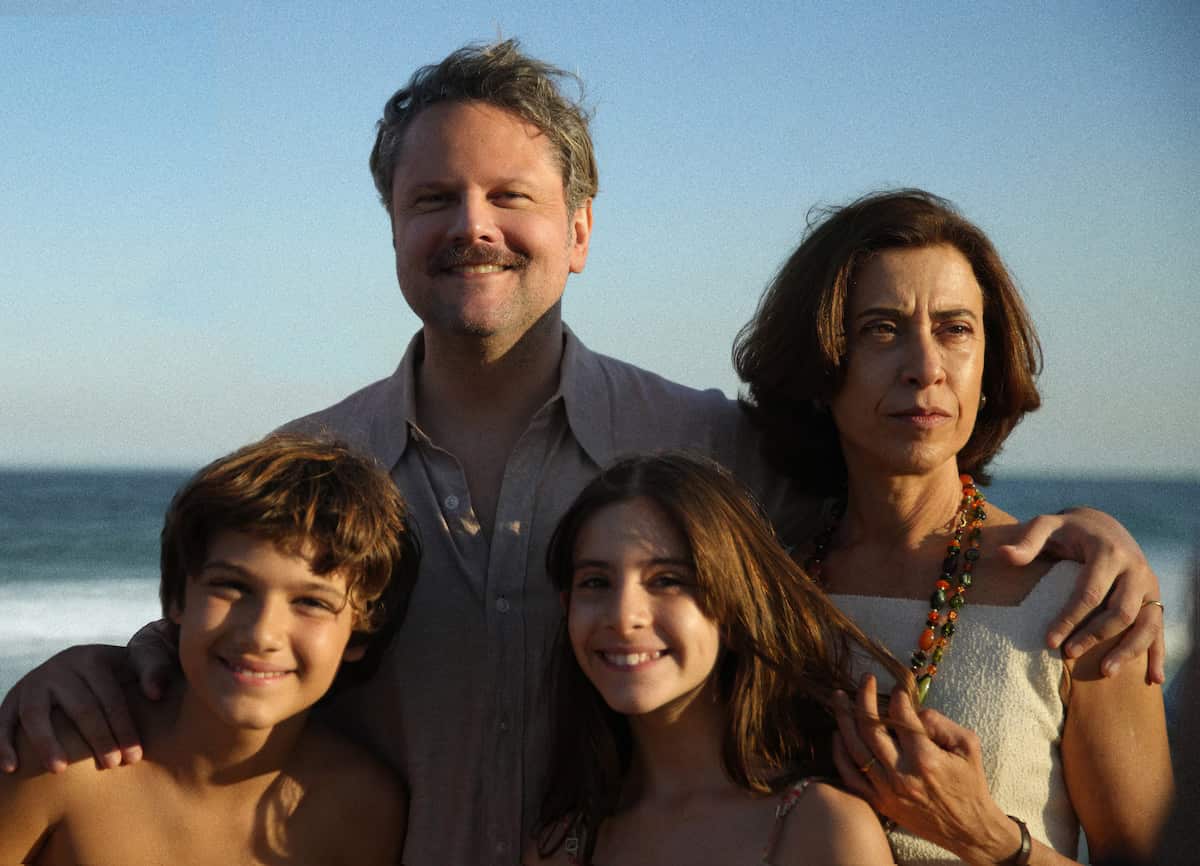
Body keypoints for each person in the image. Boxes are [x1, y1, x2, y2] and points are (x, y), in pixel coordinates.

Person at [0, 43, 1166, 866]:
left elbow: (898, 494)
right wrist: (104, 660)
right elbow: (235, 642)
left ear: (582, 229)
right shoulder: (310, 467)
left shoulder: (714, 450)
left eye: (513, 193)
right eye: (432, 197)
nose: (473, 225)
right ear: (394, 227)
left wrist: (1093, 538)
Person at [734, 189, 1173, 864]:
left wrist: (990, 838)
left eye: (955, 329)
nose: (927, 367)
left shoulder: (1080, 599)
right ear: (820, 362)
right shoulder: (769, 593)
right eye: (881, 329)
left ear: (987, 363)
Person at [0, 434, 418, 865]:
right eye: (232, 587)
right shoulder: (61, 759)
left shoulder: (365, 809)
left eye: (311, 602)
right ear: (178, 598)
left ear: (361, 632)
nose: (262, 633)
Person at [526, 453, 900, 865]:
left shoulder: (819, 828)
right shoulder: (564, 848)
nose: (622, 616)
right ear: (567, 605)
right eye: (596, 582)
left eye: (667, 580)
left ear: (732, 609)